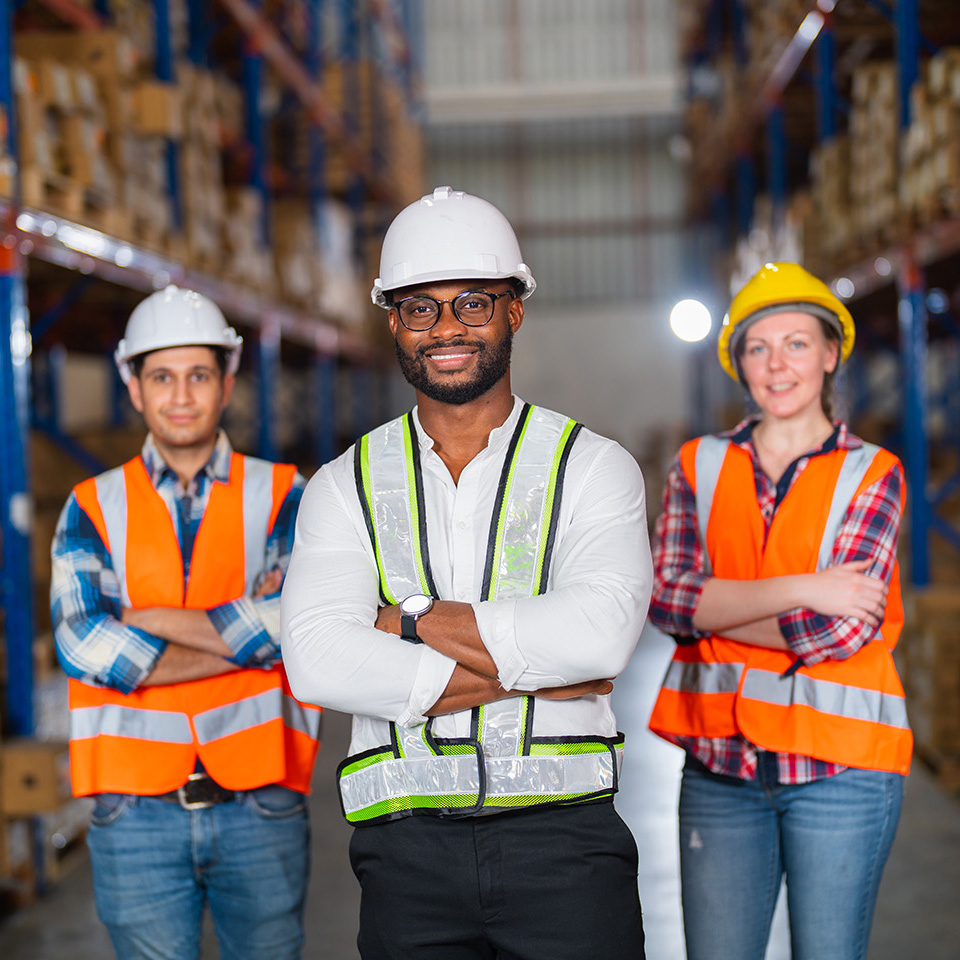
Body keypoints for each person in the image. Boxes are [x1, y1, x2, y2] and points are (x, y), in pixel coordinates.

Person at [281, 186, 652, 959]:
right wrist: (540, 672)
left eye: (473, 304)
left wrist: (407, 622)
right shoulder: (343, 484)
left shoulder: (591, 468)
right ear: (393, 321)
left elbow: (603, 638)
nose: (446, 329)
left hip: (568, 849)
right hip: (404, 854)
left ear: (514, 311)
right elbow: (316, 661)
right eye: (422, 308)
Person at [646, 261, 911, 960]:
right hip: (719, 768)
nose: (777, 364)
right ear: (739, 364)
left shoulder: (873, 471)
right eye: (758, 347)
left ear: (830, 354)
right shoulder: (697, 465)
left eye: (797, 344)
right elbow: (666, 601)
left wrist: (718, 608)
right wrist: (805, 587)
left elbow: (842, 628)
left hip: (841, 772)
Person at [50, 285, 322, 960]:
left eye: (198, 375)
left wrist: (149, 620)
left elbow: (307, 620)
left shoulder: (287, 493)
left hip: (263, 799)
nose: (180, 395)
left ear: (227, 383)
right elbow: (85, 643)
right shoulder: (91, 506)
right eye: (161, 377)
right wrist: (251, 644)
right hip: (133, 809)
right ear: (134, 388)